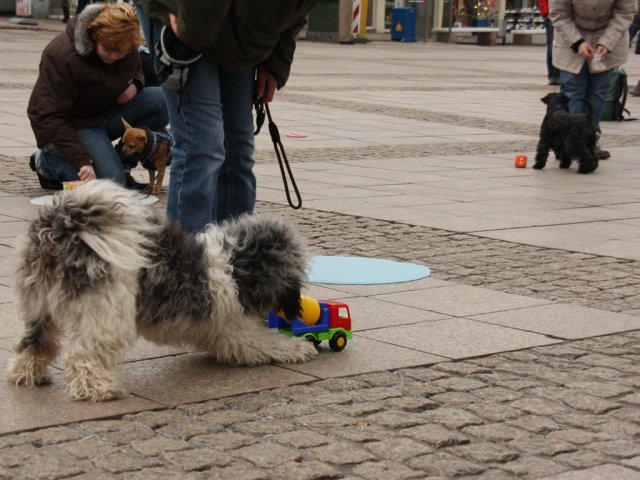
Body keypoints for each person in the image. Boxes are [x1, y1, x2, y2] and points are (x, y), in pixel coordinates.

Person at [135, 0, 316, 233]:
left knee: (237, 149)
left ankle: (233, 249)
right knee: (202, 144)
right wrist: (193, 32)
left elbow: (297, 9)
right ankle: (186, 252)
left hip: (236, 30)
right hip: (184, 13)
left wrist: (275, 63)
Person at [27, 3, 169, 190]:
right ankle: (46, 162)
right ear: (95, 36)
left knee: (162, 101)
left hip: (101, 115)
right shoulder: (61, 55)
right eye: (108, 48)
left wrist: (135, 85)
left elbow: (137, 67)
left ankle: (122, 163)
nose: (114, 56)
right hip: (69, 124)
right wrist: (81, 161)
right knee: (110, 184)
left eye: (121, 51)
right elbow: (49, 117)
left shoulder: (126, 44)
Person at [550, 0, 636, 160]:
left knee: (598, 92)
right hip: (570, 34)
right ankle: (570, 140)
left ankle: (590, 140)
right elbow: (559, 14)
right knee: (572, 90)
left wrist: (607, 42)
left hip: (609, 34)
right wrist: (577, 42)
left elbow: (625, 12)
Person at [538, 0, 560, 85]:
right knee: (551, 48)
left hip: (565, 17)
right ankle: (553, 76)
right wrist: (547, 13)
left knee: (563, 47)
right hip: (551, 18)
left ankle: (562, 75)